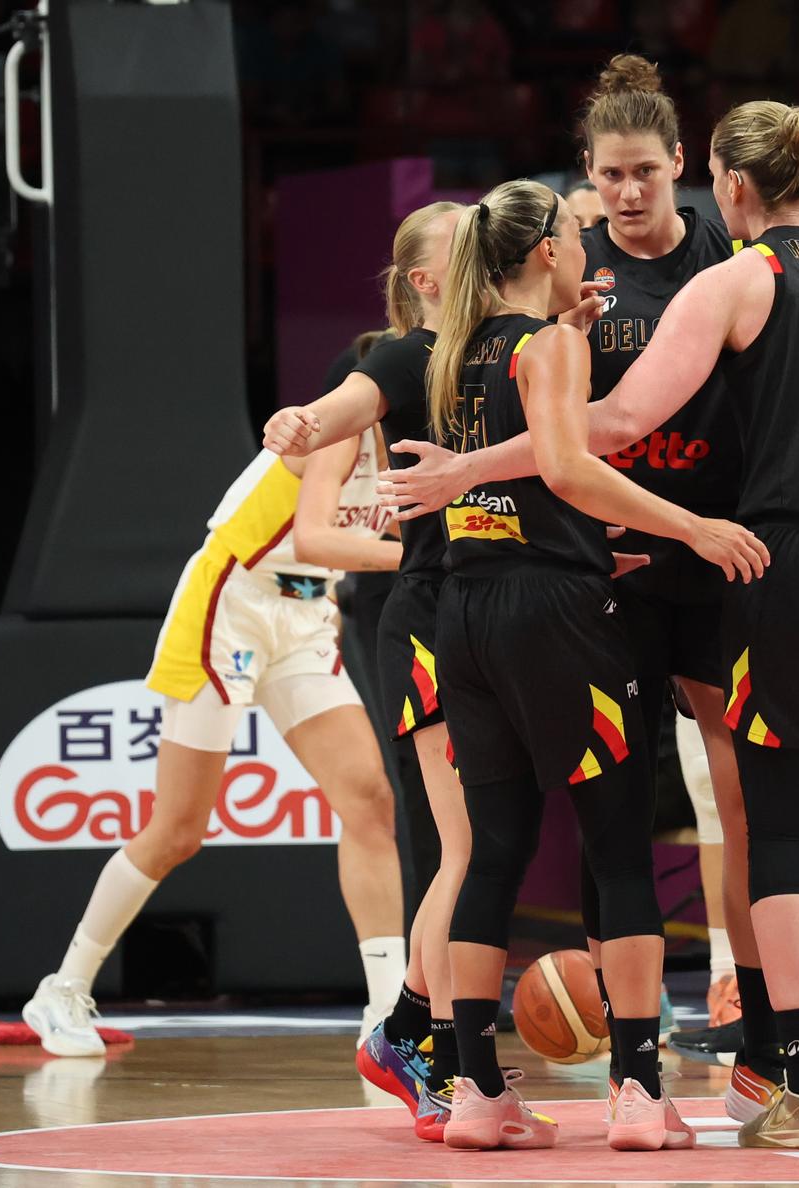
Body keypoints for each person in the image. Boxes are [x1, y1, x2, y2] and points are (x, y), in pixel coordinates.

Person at [379, 101, 799, 1150]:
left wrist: (476, 466)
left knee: (776, 831)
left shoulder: (739, 278)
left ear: (723, 183)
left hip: (785, 563)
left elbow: (615, 427)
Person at [425, 180, 764, 1152]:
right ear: (544, 252)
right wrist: (690, 525)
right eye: (575, 236)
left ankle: (475, 1091)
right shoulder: (551, 343)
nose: (588, 252)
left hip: (469, 609)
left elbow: (523, 491)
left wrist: (582, 543)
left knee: (493, 851)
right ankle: (635, 1087)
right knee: (617, 847)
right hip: (557, 620)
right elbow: (570, 466)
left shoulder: (454, 353)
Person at [24, 355, 409, 1061]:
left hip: (306, 612)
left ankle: (389, 1013)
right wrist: (421, 555)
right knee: (177, 829)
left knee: (368, 800)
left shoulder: (413, 447)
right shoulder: (344, 431)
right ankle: (62, 987)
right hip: (231, 601)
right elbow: (321, 536)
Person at [565, 56, 763, 1112]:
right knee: (618, 797)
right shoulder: (570, 271)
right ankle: (628, 1046)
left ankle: (748, 1005)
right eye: (610, 176)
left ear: (682, 165)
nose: (629, 192)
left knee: (736, 793)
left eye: (646, 171)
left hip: (718, 559)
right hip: (613, 570)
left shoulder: (732, 259)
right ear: (587, 179)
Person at [263, 201, 481, 1139]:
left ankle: (432, 1029)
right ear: (426, 280)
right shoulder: (391, 364)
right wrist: (305, 421)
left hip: (475, 600)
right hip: (326, 602)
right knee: (437, 832)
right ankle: (412, 1026)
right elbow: (313, 531)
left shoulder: (507, 351)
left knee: (474, 834)